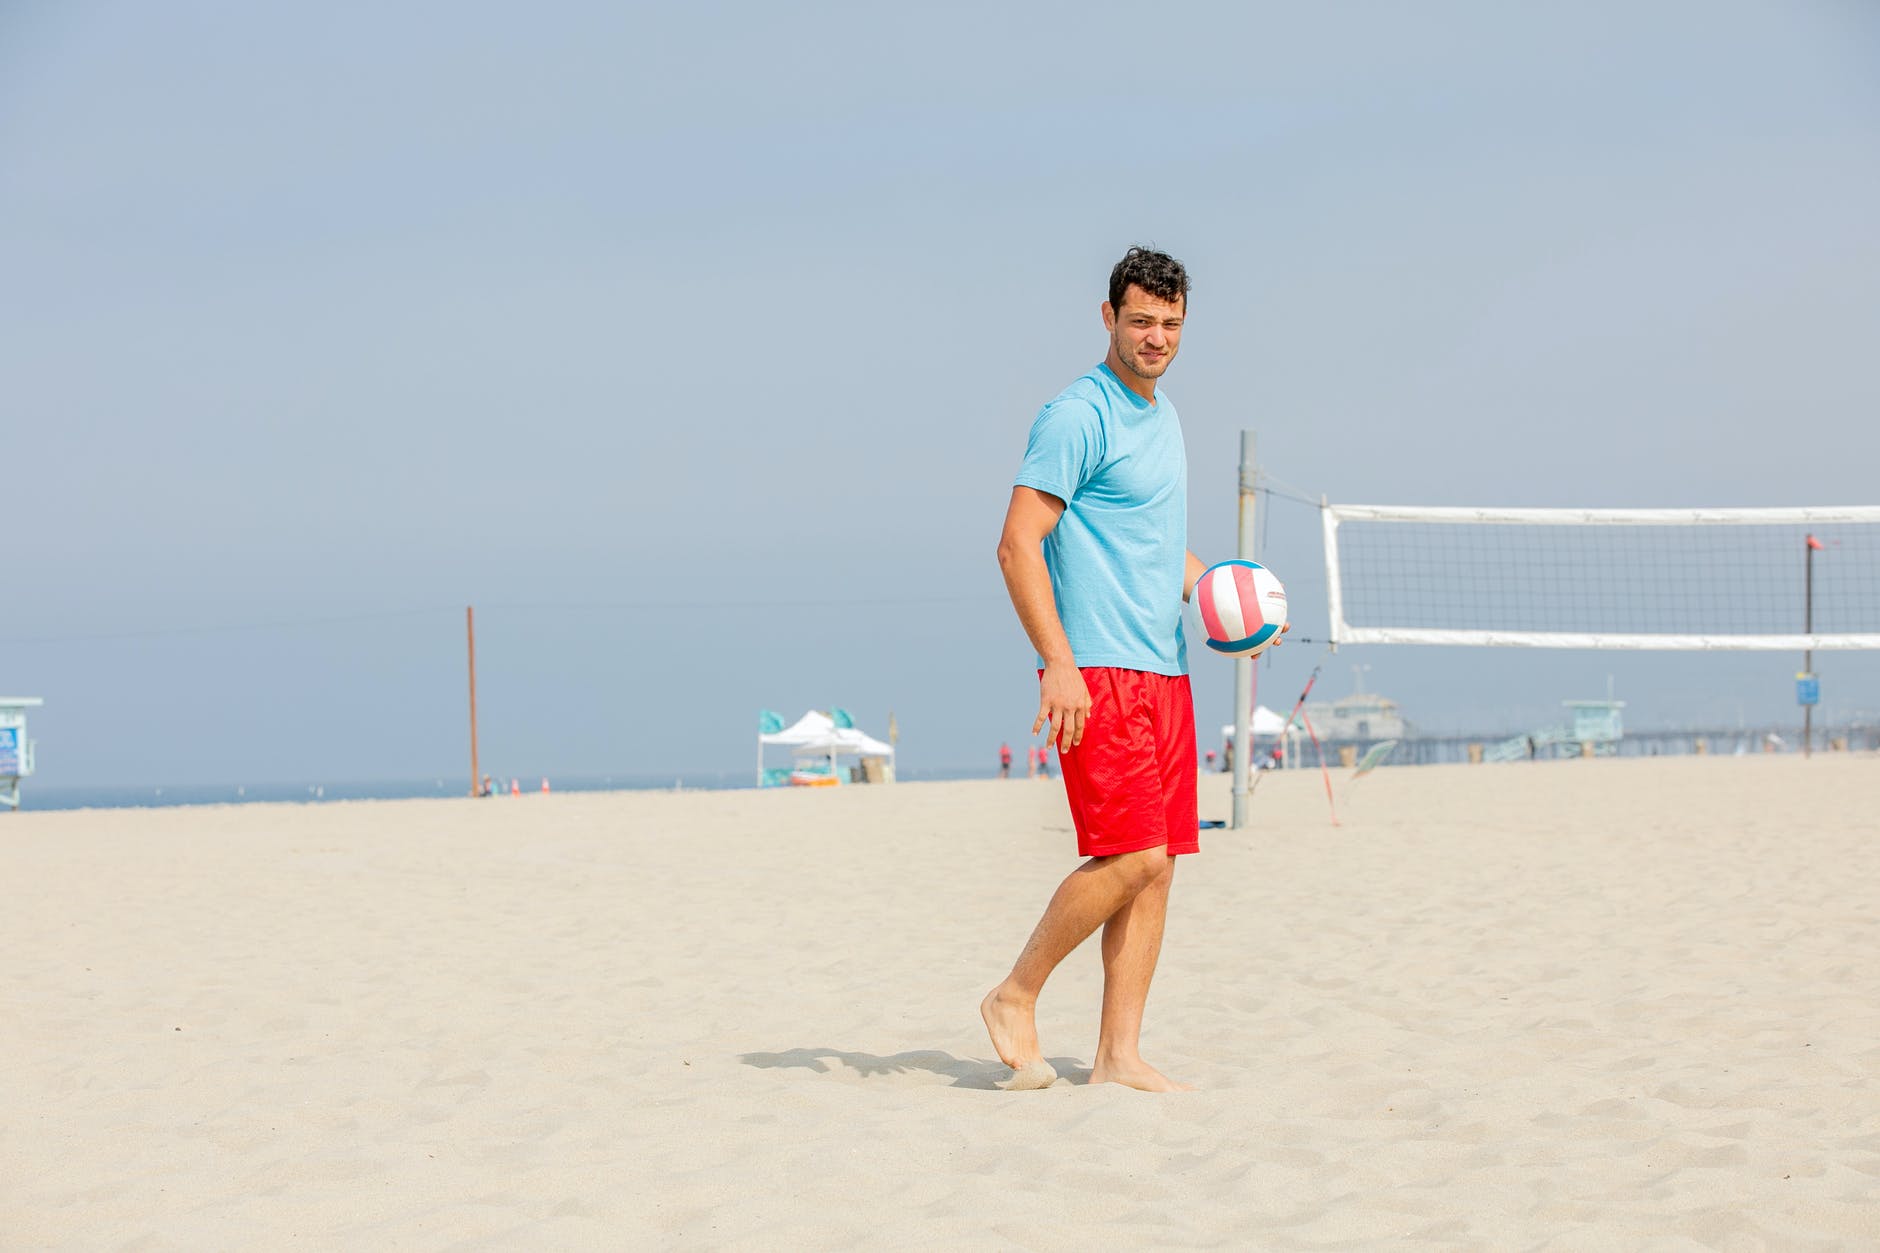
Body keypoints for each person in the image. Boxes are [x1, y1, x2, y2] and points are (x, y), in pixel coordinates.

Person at [981, 246, 1280, 1093]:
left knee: (1162, 860)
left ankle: (1117, 1055)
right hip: (1098, 669)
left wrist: (1226, 598)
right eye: (1141, 320)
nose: (1157, 338)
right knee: (1133, 854)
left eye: (1172, 324)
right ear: (1107, 316)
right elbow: (1017, 543)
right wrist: (1058, 663)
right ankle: (1015, 992)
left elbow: (1151, 546)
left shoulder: (1167, 415)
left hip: (1166, 668)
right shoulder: (1078, 415)